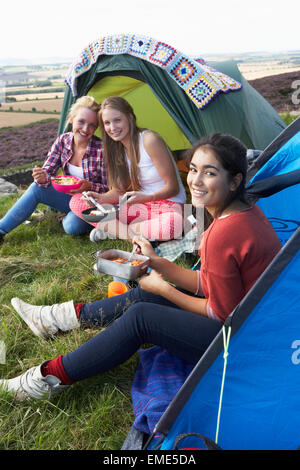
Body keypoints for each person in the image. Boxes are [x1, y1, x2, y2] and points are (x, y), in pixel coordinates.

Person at [0, 133, 282, 401]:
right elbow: (208, 283)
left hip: (246, 343)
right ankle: (57, 320)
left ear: (234, 181)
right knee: (150, 294)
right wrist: (156, 262)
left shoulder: (224, 233)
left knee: (142, 317)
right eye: (194, 169)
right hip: (256, 321)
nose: (195, 180)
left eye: (210, 173)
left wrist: (165, 289)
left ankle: (47, 379)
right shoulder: (242, 212)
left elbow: (221, 313)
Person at [69, 96, 186, 241]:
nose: (112, 128)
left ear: (130, 117)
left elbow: (173, 188)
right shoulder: (116, 150)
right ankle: (130, 233)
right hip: (137, 207)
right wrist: (100, 198)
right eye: (107, 123)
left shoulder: (149, 140)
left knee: (172, 225)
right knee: (77, 200)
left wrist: (147, 197)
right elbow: (120, 192)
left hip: (167, 206)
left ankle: (115, 231)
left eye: (117, 120)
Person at [0, 96, 108, 242]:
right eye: (81, 122)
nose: (85, 129)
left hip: (91, 204)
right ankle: (1, 230)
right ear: (71, 119)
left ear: (96, 128)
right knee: (36, 188)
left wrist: (90, 186)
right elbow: (47, 172)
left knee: (72, 227)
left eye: (91, 125)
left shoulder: (102, 150)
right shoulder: (63, 141)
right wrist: (43, 177)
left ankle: (91, 222)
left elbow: (110, 189)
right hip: (68, 199)